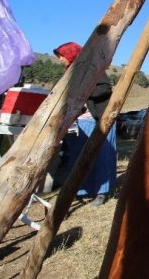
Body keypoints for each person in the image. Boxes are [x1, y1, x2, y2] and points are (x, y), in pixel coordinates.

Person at [53, 42, 116, 207]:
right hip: (79, 122)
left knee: (101, 156)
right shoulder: (69, 74)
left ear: (71, 54)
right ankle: (81, 190)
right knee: (78, 157)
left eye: (62, 55)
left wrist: (85, 90)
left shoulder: (93, 69)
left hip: (99, 120)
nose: (60, 59)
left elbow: (105, 89)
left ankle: (102, 192)